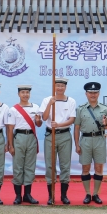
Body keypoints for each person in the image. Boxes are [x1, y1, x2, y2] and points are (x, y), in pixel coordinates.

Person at [74, 81, 107, 204]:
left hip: (99, 140)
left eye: (95, 92)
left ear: (99, 93)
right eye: (90, 92)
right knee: (85, 167)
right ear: (86, 94)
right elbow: (77, 127)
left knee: (98, 167)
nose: (93, 95)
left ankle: (95, 194)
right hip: (85, 140)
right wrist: (77, 144)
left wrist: (106, 124)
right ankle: (87, 194)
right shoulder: (81, 109)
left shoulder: (104, 108)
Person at [40, 77, 76, 205]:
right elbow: (44, 118)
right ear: (54, 87)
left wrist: (59, 125)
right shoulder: (47, 100)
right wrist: (50, 104)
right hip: (51, 135)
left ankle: (64, 195)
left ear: (65, 87)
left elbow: (72, 119)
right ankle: (51, 195)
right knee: (50, 165)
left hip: (65, 135)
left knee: (65, 165)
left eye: (62, 85)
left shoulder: (70, 101)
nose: (60, 88)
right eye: (57, 85)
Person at [7, 85, 42, 205]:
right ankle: (18, 196)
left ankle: (27, 195)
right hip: (19, 138)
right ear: (19, 94)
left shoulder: (36, 107)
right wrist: (10, 145)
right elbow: (10, 128)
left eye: (27, 92)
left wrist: (38, 120)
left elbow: (39, 124)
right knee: (18, 166)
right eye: (23, 92)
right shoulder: (13, 109)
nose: (25, 95)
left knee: (30, 167)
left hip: (31, 137)